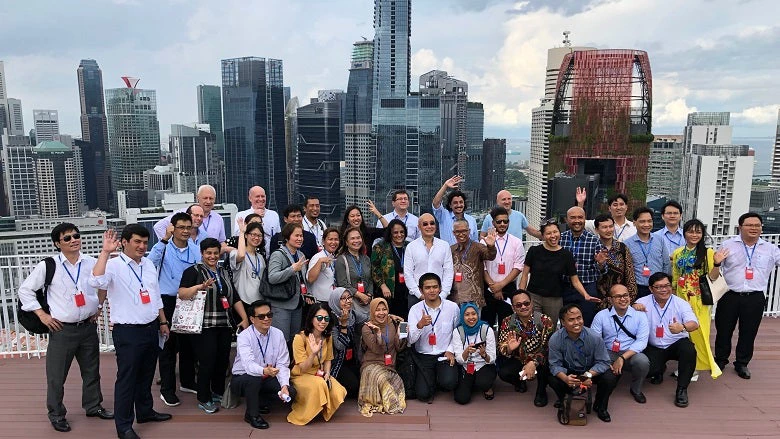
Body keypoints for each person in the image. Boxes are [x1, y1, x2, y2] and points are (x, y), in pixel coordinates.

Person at [18, 223, 113, 433]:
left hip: (87, 327)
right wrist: (42, 315)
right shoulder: (49, 265)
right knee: (56, 375)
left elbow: (103, 284)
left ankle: (93, 406)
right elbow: (25, 290)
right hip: (62, 329)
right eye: (67, 238)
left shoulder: (90, 262)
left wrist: (97, 307)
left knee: (91, 371)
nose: (73, 240)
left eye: (76, 236)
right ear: (57, 243)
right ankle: (56, 414)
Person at [89, 225, 172, 439]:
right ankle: (124, 426)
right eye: (137, 242)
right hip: (128, 331)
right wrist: (106, 252)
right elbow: (95, 281)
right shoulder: (114, 265)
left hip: (151, 327)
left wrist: (163, 321)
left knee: (146, 374)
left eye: (145, 242)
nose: (142, 246)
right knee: (127, 379)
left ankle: (145, 412)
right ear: (124, 242)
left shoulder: (148, 264)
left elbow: (155, 295)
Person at [178, 238, 247, 414]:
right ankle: (203, 397)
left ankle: (216, 391)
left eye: (216, 253)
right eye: (208, 253)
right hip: (203, 325)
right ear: (202, 253)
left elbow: (234, 297)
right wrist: (201, 286)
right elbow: (182, 293)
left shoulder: (223, 271)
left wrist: (244, 318)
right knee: (207, 361)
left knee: (222, 360)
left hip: (223, 323)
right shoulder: (193, 271)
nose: (212, 256)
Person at [714, 212, 779, 379]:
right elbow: (716, 267)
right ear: (740, 227)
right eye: (749, 225)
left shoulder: (770, 249)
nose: (754, 228)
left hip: (755, 296)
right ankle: (720, 359)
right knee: (723, 329)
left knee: (749, 332)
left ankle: (742, 363)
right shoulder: (728, 244)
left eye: (757, 225)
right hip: (729, 295)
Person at [148, 212, 201, 407]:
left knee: (188, 343)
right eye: (181, 227)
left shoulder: (195, 250)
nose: (186, 231)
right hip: (167, 300)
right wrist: (164, 239)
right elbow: (150, 263)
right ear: (173, 228)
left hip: (189, 300)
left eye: (189, 227)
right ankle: (167, 390)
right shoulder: (162, 247)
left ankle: (187, 382)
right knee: (168, 346)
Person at [671, 219, 725, 380]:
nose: (694, 235)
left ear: (702, 235)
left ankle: (696, 367)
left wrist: (716, 264)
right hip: (681, 297)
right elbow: (675, 275)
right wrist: (673, 295)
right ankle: (688, 365)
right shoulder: (678, 252)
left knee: (699, 332)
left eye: (698, 232)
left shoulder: (708, 253)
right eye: (691, 231)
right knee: (684, 334)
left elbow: (713, 277)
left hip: (699, 299)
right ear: (684, 233)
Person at [519, 218, 597, 328]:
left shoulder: (566, 255)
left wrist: (586, 295)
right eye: (548, 233)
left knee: (550, 328)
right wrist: (521, 295)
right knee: (533, 327)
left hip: (554, 299)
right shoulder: (534, 251)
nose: (553, 236)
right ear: (543, 235)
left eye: (555, 232)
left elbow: (574, 280)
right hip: (533, 296)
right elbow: (524, 275)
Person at [636, 273, 699, 408]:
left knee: (689, 350)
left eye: (667, 286)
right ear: (651, 289)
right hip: (653, 346)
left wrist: (682, 327)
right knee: (647, 368)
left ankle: (682, 389)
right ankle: (659, 370)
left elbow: (694, 324)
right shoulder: (642, 302)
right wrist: (633, 307)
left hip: (675, 343)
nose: (664, 290)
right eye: (658, 287)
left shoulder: (680, 303)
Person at [231, 300, 295, 430]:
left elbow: (283, 363)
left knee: (291, 392)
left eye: (269, 315)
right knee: (253, 379)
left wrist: (284, 385)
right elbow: (248, 366)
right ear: (252, 319)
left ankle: (259, 401)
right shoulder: (244, 336)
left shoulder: (278, 334)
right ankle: (252, 415)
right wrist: (264, 371)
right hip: (243, 378)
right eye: (261, 316)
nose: (266, 319)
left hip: (267, 376)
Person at [548, 304, 618, 423]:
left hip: (590, 371)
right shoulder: (555, 339)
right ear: (563, 322)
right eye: (571, 319)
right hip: (569, 371)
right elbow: (554, 364)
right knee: (551, 376)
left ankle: (600, 406)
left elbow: (604, 362)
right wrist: (565, 378)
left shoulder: (595, 337)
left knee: (610, 376)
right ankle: (564, 399)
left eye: (579, 318)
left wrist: (586, 376)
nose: (576, 322)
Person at [288, 303, 347, 425]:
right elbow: (303, 368)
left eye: (326, 318)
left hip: (318, 374)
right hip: (301, 375)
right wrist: (313, 353)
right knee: (319, 385)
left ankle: (320, 409)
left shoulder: (328, 336)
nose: (323, 322)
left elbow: (328, 359)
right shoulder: (300, 338)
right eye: (319, 318)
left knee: (338, 390)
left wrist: (327, 373)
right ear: (311, 319)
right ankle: (302, 413)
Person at [590, 284, 651, 404]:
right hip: (608, 351)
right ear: (610, 299)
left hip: (630, 352)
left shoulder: (640, 315)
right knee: (597, 364)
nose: (623, 299)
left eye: (625, 295)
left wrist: (622, 358)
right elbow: (595, 340)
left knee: (642, 361)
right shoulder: (601, 315)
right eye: (618, 296)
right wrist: (603, 357)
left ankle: (636, 389)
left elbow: (642, 341)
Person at [407, 273, 459, 403]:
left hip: (444, 354)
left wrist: (451, 350)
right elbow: (410, 341)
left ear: (440, 288)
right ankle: (431, 379)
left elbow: (458, 332)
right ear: (421, 290)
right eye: (428, 288)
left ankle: (439, 377)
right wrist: (420, 325)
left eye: (435, 287)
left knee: (449, 383)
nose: (432, 291)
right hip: (424, 356)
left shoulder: (452, 307)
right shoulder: (415, 310)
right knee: (423, 395)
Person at [497, 291, 554, 406]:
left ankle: (541, 391)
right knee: (503, 372)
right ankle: (519, 382)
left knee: (547, 365)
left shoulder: (545, 320)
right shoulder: (507, 322)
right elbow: (501, 347)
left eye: (526, 303)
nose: (523, 307)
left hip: (539, 360)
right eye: (518, 305)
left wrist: (533, 363)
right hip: (518, 359)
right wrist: (509, 348)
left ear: (532, 304)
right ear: (513, 307)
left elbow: (548, 348)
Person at [359, 297, 407, 416]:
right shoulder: (366, 327)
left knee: (397, 383)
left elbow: (399, 347)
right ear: (372, 311)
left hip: (389, 365)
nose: (381, 313)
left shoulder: (392, 323)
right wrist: (378, 334)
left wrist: (403, 328)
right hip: (371, 364)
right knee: (383, 381)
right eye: (377, 310)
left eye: (384, 309)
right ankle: (388, 403)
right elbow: (376, 349)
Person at [267, 223, 310, 341]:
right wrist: (292, 269)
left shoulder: (300, 254)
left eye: (301, 236)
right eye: (296, 236)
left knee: (295, 340)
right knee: (282, 341)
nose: (300, 238)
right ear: (287, 237)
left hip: (297, 303)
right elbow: (272, 277)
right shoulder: (278, 254)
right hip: (282, 305)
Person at [482, 207, 524, 327]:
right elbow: (482, 267)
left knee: (507, 326)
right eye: (499, 221)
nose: (502, 224)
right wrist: (493, 287)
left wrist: (500, 285)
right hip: (488, 288)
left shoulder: (516, 242)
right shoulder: (484, 242)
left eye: (505, 221)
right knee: (487, 325)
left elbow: (518, 266)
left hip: (508, 288)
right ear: (493, 223)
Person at [449, 303, 497, 404]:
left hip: (484, 365)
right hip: (466, 366)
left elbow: (492, 358)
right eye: (467, 315)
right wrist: (466, 352)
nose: (471, 317)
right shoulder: (458, 331)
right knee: (461, 399)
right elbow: (459, 359)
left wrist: (484, 354)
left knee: (484, 383)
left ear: (477, 315)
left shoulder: (487, 330)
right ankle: (471, 383)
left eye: (473, 314)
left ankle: (487, 387)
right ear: (462, 316)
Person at [404, 213, 454, 309]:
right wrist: (420, 295)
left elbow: (448, 272)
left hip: (440, 297)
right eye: (425, 224)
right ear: (419, 227)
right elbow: (408, 274)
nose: (429, 226)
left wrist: (442, 295)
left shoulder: (444, 246)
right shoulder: (411, 247)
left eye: (432, 223)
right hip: (416, 297)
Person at [593, 214, 637, 321]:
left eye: (610, 226)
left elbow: (630, 275)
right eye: (604, 227)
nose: (608, 230)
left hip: (620, 300)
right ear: (597, 230)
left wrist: (628, 299)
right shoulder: (593, 247)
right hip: (597, 300)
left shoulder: (622, 248)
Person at [155, 185, 227, 250]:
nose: (208, 201)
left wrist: (227, 250)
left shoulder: (218, 218)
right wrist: (173, 245)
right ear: (198, 198)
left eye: (211, 198)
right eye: (205, 198)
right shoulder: (184, 213)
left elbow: (221, 241)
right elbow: (158, 227)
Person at [560, 206, 602, 310]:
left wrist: (601, 264)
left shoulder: (594, 240)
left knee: (586, 322)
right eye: (573, 218)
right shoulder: (560, 239)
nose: (577, 221)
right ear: (566, 219)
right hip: (564, 287)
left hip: (587, 286)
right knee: (565, 321)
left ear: (585, 219)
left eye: (580, 217)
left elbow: (602, 271)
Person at [625, 207, 671, 299]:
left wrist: (665, 285)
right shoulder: (627, 244)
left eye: (649, 221)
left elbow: (666, 264)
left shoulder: (660, 240)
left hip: (659, 288)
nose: (646, 224)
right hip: (638, 288)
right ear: (634, 223)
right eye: (642, 221)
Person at [450, 219, 496, 307]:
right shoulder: (451, 249)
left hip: (474, 299)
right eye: (458, 232)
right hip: (455, 299)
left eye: (464, 231)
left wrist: (491, 246)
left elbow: (490, 256)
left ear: (469, 231)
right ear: (453, 233)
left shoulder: (478, 247)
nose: (461, 234)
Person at [371, 219, 411, 319]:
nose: (399, 235)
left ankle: (403, 335)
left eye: (402, 232)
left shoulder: (410, 246)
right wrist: (382, 285)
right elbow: (374, 268)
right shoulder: (380, 247)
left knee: (404, 321)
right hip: (388, 292)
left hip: (407, 292)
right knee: (390, 320)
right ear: (390, 233)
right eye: (395, 232)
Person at [335, 226, 373, 322]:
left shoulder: (366, 259)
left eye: (358, 237)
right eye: (352, 238)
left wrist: (369, 295)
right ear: (346, 242)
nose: (356, 241)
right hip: (351, 303)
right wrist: (360, 295)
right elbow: (342, 284)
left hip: (367, 303)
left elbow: (370, 280)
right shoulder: (341, 260)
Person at [329, 289, 362, 397]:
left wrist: (389, 316)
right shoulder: (331, 319)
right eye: (343, 298)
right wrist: (343, 325)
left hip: (350, 359)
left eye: (349, 297)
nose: (348, 301)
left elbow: (369, 316)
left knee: (363, 382)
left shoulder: (352, 314)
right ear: (335, 301)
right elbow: (339, 345)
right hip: (336, 362)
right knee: (354, 385)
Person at [230, 219, 268, 308]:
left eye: (259, 236)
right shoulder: (235, 253)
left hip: (260, 300)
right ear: (246, 235)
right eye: (253, 234)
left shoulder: (260, 257)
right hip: (243, 301)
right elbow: (242, 255)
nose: (256, 238)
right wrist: (242, 232)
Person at [235, 186, 281, 256]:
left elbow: (278, 237)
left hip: (271, 255)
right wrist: (253, 216)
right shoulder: (241, 215)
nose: (261, 199)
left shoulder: (274, 215)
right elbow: (237, 236)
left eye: (263, 196)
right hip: (249, 256)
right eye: (257, 196)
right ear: (250, 198)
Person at [432, 176, 479, 244]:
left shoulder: (471, 220)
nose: (459, 205)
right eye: (455, 203)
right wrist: (445, 185)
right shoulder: (443, 216)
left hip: (467, 254)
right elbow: (435, 203)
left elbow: (475, 241)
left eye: (461, 202)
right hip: (448, 253)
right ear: (450, 205)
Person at [307, 227, 342, 302]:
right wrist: (319, 262)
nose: (333, 242)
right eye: (330, 239)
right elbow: (310, 279)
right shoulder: (318, 257)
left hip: (332, 300)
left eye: (336, 239)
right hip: (320, 301)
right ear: (323, 241)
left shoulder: (333, 257)